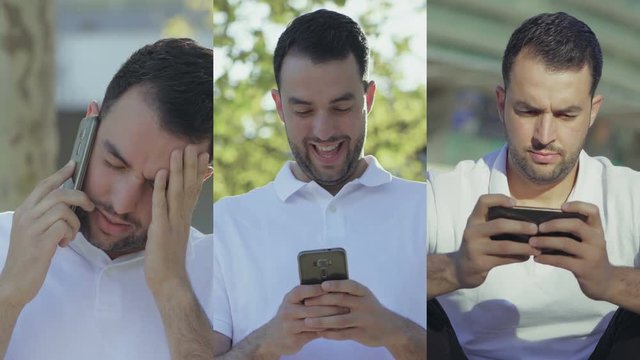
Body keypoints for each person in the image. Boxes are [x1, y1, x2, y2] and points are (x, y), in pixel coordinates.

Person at [212, 9, 426, 359]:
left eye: (341, 107)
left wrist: (394, 332)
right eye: (304, 111)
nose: (324, 131)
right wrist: (267, 343)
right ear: (280, 107)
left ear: (367, 100)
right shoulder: (228, 223)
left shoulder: (427, 208)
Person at [427, 12, 640, 360]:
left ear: (592, 111)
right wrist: (453, 269)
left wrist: (611, 281)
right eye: (527, 111)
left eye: (566, 115)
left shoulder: (631, 195)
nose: (544, 136)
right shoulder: (442, 194)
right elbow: (369, 285)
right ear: (501, 104)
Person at [0, 38, 214, 360]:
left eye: (158, 185)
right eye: (114, 163)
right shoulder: (4, 241)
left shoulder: (227, 272)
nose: (124, 203)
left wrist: (172, 286)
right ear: (90, 125)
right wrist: (9, 294)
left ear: (198, 181)